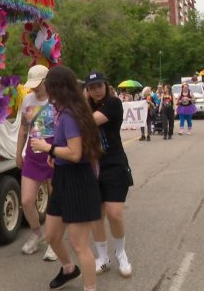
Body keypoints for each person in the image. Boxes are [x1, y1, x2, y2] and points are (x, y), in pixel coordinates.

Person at [30, 66, 102, 291]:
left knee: (80, 245)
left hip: (78, 182)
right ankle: (69, 269)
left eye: (48, 84)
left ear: (56, 87)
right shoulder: (61, 110)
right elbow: (69, 151)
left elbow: (75, 153)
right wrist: (55, 156)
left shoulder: (70, 114)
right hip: (62, 177)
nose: (45, 89)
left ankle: (90, 287)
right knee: (52, 235)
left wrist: (48, 148)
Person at [84, 71, 133, 279]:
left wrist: (83, 103)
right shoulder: (87, 105)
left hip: (114, 164)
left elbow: (87, 122)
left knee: (114, 213)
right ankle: (102, 258)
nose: (96, 90)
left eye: (99, 86)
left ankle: (121, 253)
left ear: (105, 85)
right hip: (92, 165)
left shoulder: (113, 104)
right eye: (91, 87)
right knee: (96, 214)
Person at [15, 65, 57, 261]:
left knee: (55, 199)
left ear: (47, 81)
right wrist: (18, 153)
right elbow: (24, 128)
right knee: (26, 201)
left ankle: (54, 241)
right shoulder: (28, 100)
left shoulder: (58, 99)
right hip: (33, 154)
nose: (34, 89)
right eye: (32, 85)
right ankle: (37, 234)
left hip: (54, 154)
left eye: (38, 85)